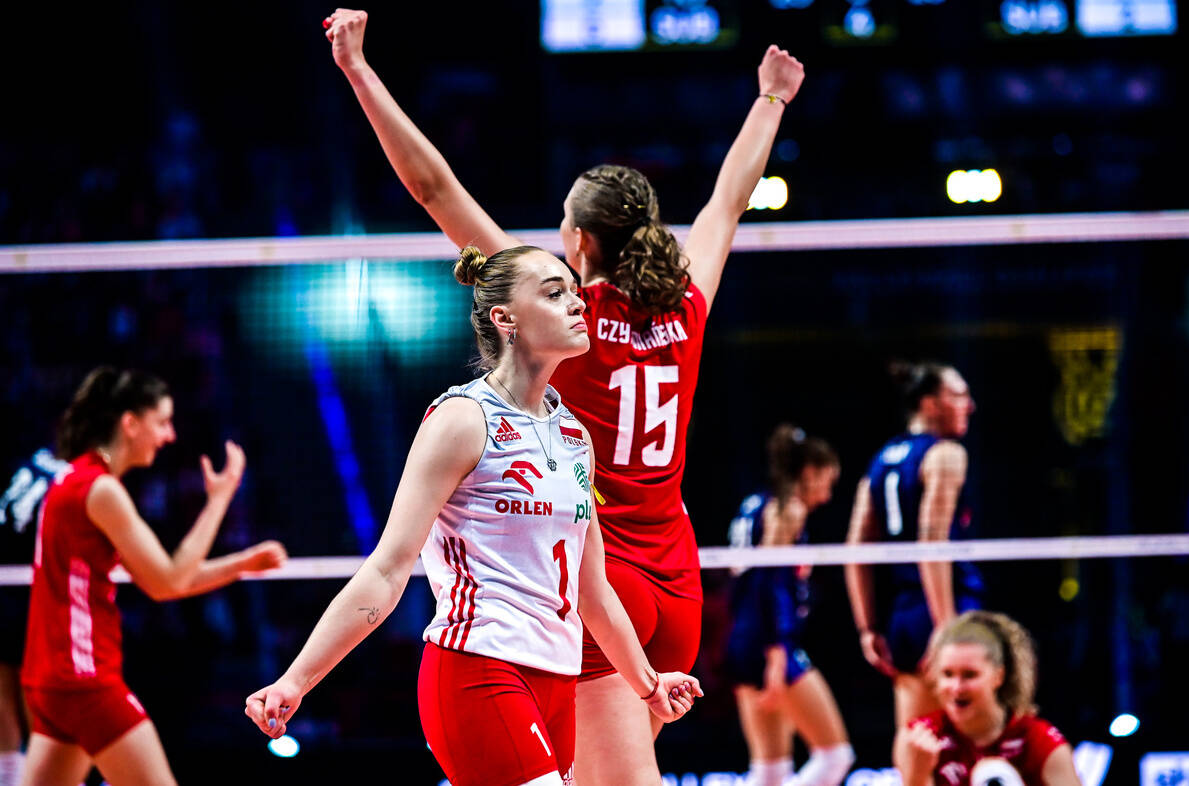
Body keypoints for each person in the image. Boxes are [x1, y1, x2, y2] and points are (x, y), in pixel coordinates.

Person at [322, 10, 804, 781]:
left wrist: (358, 71)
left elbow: (432, 188)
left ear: (577, 241)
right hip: (677, 585)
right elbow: (727, 202)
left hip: (600, 586)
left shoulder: (562, 319)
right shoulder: (687, 306)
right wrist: (770, 99)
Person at [245, 245, 703, 786]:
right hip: (479, 667)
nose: (578, 303)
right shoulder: (461, 419)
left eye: (574, 291)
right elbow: (388, 570)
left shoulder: (575, 436)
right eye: (554, 293)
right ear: (505, 319)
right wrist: (296, 680)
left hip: (559, 681)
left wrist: (649, 686)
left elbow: (593, 591)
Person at [19, 367, 287, 786]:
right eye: (161, 422)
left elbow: (159, 580)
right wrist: (219, 500)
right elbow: (169, 581)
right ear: (130, 423)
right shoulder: (100, 490)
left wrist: (242, 563)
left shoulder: (73, 480)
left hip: (52, 680)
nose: (169, 435)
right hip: (84, 679)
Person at [844, 362, 985, 757]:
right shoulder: (946, 454)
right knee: (974, 746)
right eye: (958, 395)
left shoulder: (882, 459)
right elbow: (931, 541)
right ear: (930, 403)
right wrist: (946, 628)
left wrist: (867, 627)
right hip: (948, 608)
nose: (970, 405)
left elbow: (854, 548)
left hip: (903, 617)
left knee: (915, 743)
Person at [725, 425, 854, 786]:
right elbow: (770, 583)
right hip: (766, 639)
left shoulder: (755, 503)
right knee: (836, 756)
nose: (827, 496)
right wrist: (777, 652)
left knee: (770, 771)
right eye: (827, 482)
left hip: (742, 636)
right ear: (809, 473)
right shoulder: (788, 509)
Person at [896, 610, 1083, 786]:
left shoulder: (1040, 741)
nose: (956, 687)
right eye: (947, 674)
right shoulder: (918, 740)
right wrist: (918, 778)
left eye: (969, 675)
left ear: (998, 676)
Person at [0, 449, 69, 786]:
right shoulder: (75, 478)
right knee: (39, 708)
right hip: (29, 594)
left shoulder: (32, 461)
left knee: (7, 700)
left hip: (10, 588)